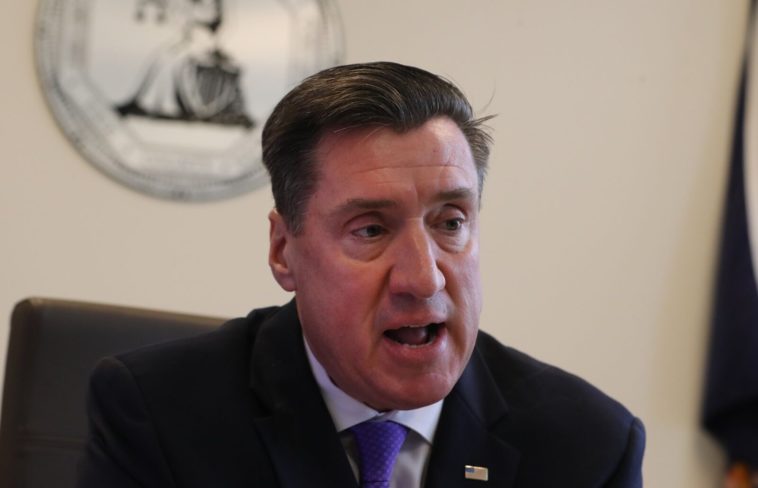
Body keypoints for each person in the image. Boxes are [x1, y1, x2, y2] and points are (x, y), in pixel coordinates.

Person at [77, 62, 645, 487]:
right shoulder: (160, 412)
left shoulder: (588, 445)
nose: (424, 279)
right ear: (283, 251)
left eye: (451, 223)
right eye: (371, 229)